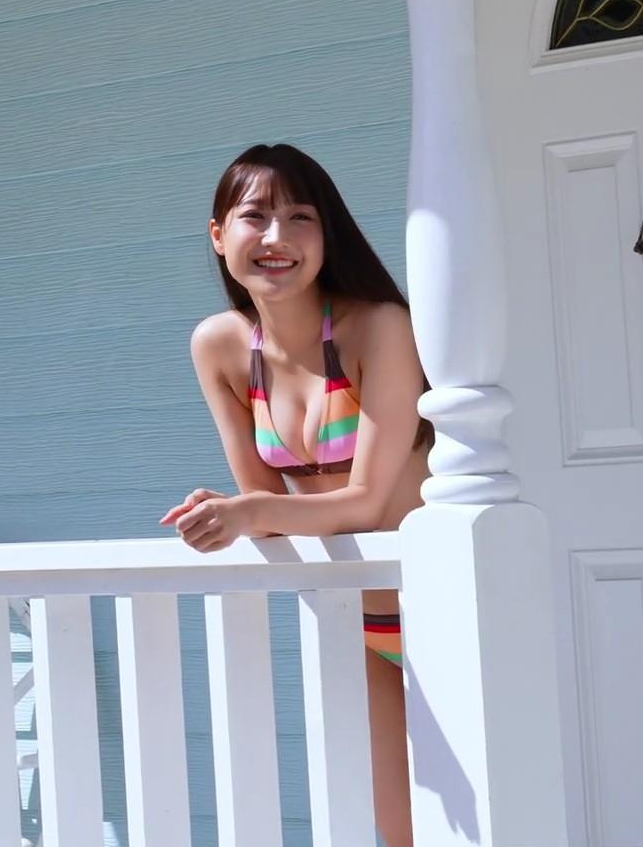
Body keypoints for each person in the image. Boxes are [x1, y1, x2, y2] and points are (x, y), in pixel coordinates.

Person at [161, 142, 431, 847]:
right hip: (357, 621)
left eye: (300, 217)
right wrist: (227, 511)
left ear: (326, 234)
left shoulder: (378, 326)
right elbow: (267, 515)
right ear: (218, 235)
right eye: (255, 216)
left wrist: (250, 511)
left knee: (492, 816)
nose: (276, 237)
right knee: (400, 832)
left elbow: (366, 502)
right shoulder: (220, 347)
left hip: (441, 607)